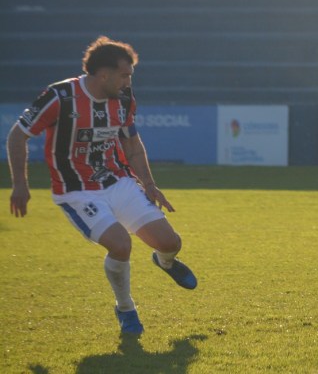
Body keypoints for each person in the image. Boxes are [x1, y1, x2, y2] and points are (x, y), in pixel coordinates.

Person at [7, 36, 198, 335]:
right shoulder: (60, 96)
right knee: (121, 245)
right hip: (77, 191)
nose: (128, 81)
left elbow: (132, 143)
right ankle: (126, 310)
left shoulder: (123, 97)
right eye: (124, 75)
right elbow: (18, 135)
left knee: (171, 243)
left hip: (117, 180)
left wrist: (149, 183)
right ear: (103, 74)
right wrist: (20, 184)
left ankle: (165, 262)